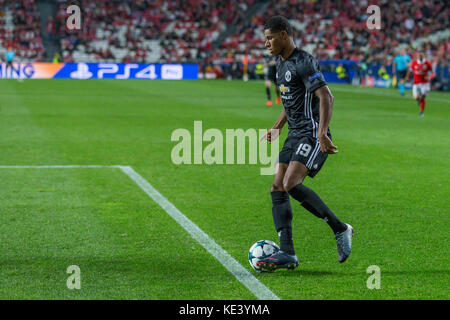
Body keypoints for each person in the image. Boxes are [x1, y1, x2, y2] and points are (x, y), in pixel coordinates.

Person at [258, 16, 353, 271]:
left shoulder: (304, 61)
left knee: (291, 183)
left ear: (284, 36)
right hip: (294, 133)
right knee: (277, 187)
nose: (266, 43)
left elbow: (326, 97)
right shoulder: (280, 64)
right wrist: (277, 127)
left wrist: (322, 133)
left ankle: (340, 228)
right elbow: (290, 102)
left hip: (311, 133)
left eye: (270, 38)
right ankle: (288, 253)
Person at [406, 51, 433, 117]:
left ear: (423, 56)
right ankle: (419, 100)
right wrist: (406, 78)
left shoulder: (427, 64)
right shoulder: (414, 63)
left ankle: (421, 112)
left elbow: (433, 73)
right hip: (416, 83)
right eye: (419, 55)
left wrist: (429, 77)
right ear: (417, 56)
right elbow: (410, 71)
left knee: (423, 96)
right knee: (416, 98)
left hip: (425, 83)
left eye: (421, 55)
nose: (420, 56)